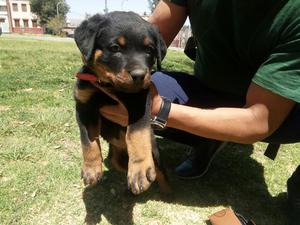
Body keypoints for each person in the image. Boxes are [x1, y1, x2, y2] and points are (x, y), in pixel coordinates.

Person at [100, 0, 300, 224]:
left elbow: (258, 120)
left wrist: (159, 110)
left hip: (282, 111)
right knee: (119, 94)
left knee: (145, 104)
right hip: (206, 89)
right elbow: (150, 35)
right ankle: (208, 138)